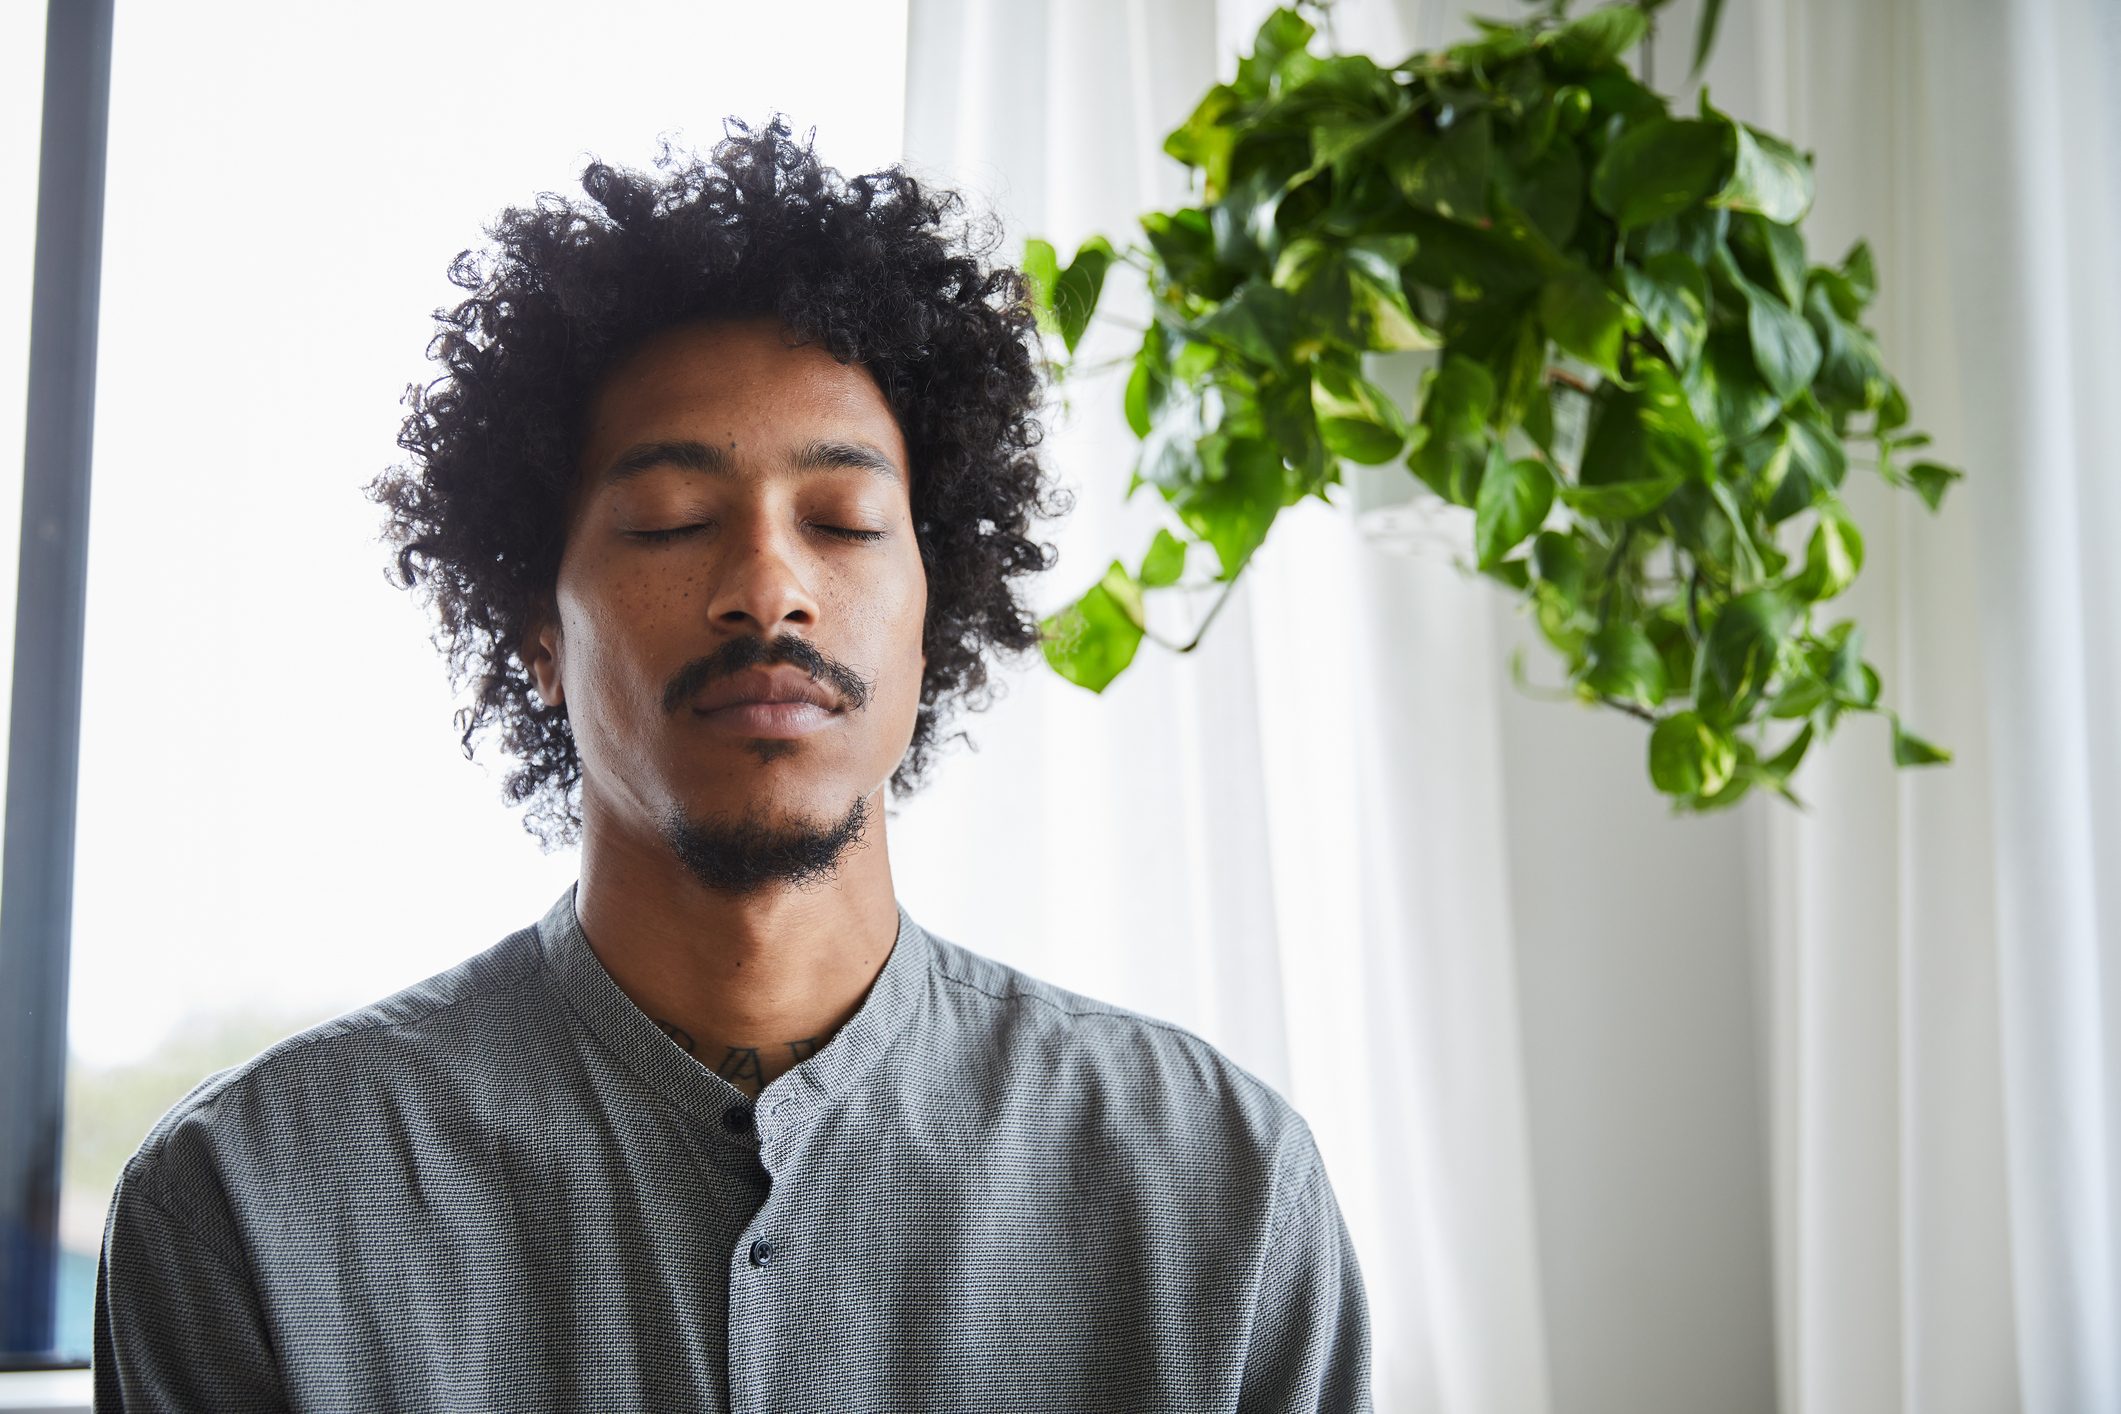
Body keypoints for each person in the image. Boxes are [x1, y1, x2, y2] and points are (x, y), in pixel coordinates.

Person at [91, 115, 1373, 1412]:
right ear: (537, 621)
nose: (769, 586)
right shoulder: (249, 1202)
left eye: (845, 521)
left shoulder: (1219, 1187)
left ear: (940, 608)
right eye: (673, 520)